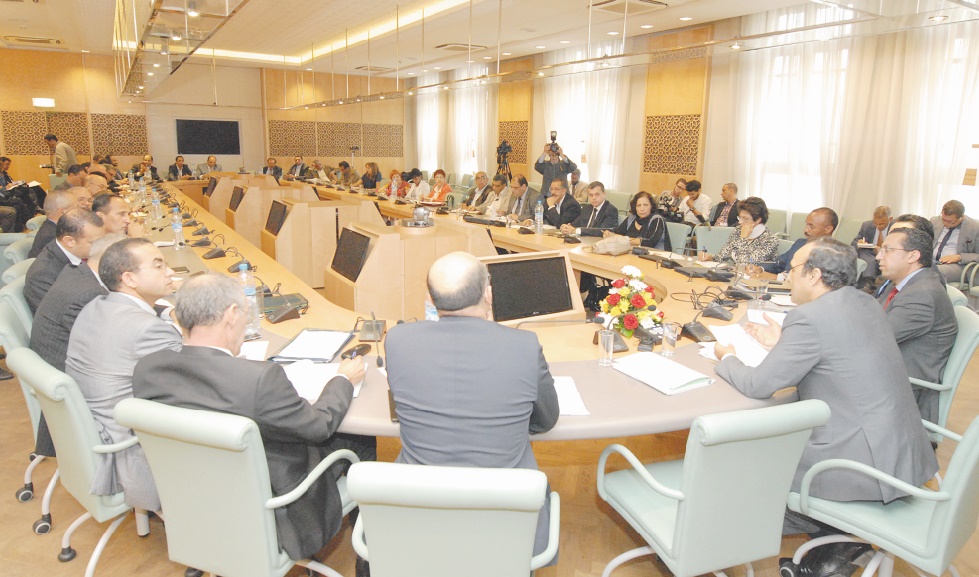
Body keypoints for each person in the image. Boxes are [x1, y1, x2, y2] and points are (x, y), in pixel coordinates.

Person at [133, 273, 374, 568]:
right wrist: (342, 381)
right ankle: (367, 561)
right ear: (232, 315)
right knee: (359, 440)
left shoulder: (148, 369)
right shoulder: (259, 379)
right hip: (276, 502)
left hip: (195, 499)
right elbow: (319, 426)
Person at [714, 237, 938, 535]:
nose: (788, 275)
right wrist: (784, 345)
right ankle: (833, 537)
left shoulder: (808, 318)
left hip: (859, 465)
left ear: (815, 275)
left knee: (750, 457)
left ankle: (832, 536)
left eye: (794, 268)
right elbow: (841, 353)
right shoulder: (866, 302)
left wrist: (727, 356)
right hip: (902, 456)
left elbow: (758, 385)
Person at [385, 252, 559, 559]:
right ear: (489, 294)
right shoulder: (524, 345)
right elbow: (546, 420)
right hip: (507, 515)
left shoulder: (397, 340)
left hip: (418, 511)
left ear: (430, 299)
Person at [65, 238, 182, 512]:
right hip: (131, 451)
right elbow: (190, 387)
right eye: (159, 265)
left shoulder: (96, 305)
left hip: (99, 433)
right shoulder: (146, 330)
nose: (170, 272)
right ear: (129, 278)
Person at [875, 227, 956, 423]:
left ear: (913, 256)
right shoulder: (904, 285)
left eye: (888, 250)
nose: (878, 256)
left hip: (904, 387)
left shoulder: (921, 294)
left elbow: (875, 337)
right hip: (890, 369)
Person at [24, 208, 104, 314]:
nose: (100, 246)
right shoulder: (43, 275)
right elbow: (63, 316)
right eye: (94, 242)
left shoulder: (77, 253)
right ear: (69, 241)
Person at [701, 196, 780, 264]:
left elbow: (745, 263)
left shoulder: (770, 240)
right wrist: (711, 257)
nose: (740, 222)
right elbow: (723, 255)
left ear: (758, 220)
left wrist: (743, 239)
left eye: (745, 219)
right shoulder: (738, 230)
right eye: (740, 217)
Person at [763, 207, 839, 274]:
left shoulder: (834, 255)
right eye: (806, 225)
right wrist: (759, 268)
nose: (805, 230)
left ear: (828, 229)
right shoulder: (800, 243)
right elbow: (777, 264)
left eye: (811, 227)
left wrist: (777, 278)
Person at [603, 191, 670, 250]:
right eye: (638, 205)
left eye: (645, 205)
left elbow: (649, 242)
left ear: (651, 206)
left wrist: (621, 238)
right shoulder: (631, 218)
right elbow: (618, 232)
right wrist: (609, 234)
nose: (642, 209)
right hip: (633, 255)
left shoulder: (657, 219)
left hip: (657, 258)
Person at [931, 200, 979, 281]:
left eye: (950, 221)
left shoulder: (975, 228)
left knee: (935, 273)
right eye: (943, 219)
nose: (945, 224)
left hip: (958, 265)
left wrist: (959, 257)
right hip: (931, 261)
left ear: (961, 217)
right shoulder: (934, 221)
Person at [852, 206, 893, 289]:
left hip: (886, 256)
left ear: (890, 219)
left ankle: (867, 282)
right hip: (869, 256)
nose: (878, 226)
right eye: (875, 223)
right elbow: (854, 243)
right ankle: (869, 281)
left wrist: (881, 250)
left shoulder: (896, 227)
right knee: (864, 251)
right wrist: (859, 243)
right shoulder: (866, 225)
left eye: (882, 223)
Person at [29, 190, 78, 258]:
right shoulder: (51, 236)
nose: (79, 212)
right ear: (62, 211)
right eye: (76, 208)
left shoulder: (59, 227)